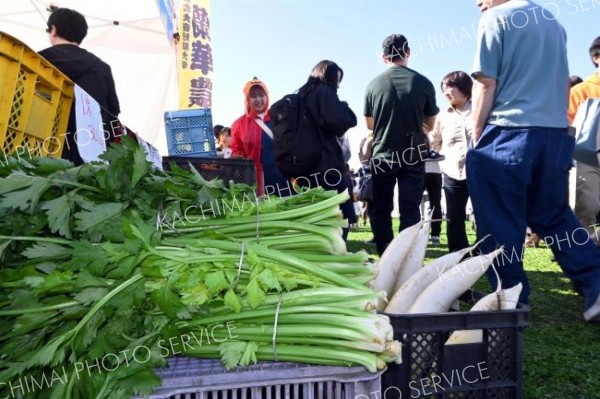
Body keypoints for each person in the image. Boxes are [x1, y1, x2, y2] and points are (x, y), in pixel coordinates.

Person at [468, 0, 600, 321]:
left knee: (499, 220)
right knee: (554, 216)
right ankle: (596, 283)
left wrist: (476, 134)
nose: (477, 2)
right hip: (553, 135)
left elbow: (486, 82)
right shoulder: (553, 22)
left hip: (507, 131)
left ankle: (511, 299)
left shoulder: (495, 18)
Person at [364, 34, 439, 255]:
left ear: (383, 56)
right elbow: (430, 123)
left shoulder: (373, 85)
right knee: (410, 209)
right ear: (408, 53)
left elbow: (371, 125)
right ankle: (407, 256)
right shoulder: (423, 82)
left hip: (382, 154)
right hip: (413, 155)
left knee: (382, 208)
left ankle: (385, 254)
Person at [39, 7, 120, 166]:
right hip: (91, 163)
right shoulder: (102, 68)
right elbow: (113, 114)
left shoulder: (38, 61)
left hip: (42, 155)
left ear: (53, 29)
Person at [296, 60, 357, 240]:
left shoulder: (302, 94)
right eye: (336, 79)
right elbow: (344, 121)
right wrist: (343, 105)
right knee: (339, 212)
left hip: (305, 167)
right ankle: (337, 251)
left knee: (313, 216)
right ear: (327, 76)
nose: (337, 84)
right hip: (327, 166)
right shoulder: (324, 93)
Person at [429, 71, 473, 252]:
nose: (446, 92)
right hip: (452, 172)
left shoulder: (480, 108)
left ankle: (484, 253)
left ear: (464, 87)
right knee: (454, 217)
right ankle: (458, 254)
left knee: (485, 215)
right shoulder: (442, 116)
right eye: (443, 89)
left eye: (449, 87)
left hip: (479, 171)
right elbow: (435, 141)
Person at [230, 78, 289, 196]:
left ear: (267, 96)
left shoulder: (279, 117)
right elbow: (236, 150)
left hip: (283, 177)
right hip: (254, 182)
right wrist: (237, 156)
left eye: (261, 95)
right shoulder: (239, 124)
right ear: (247, 100)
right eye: (253, 96)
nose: (258, 99)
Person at [568, 36, 600, 246]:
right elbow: (566, 127)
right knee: (585, 208)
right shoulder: (581, 91)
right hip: (587, 161)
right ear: (597, 57)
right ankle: (584, 256)